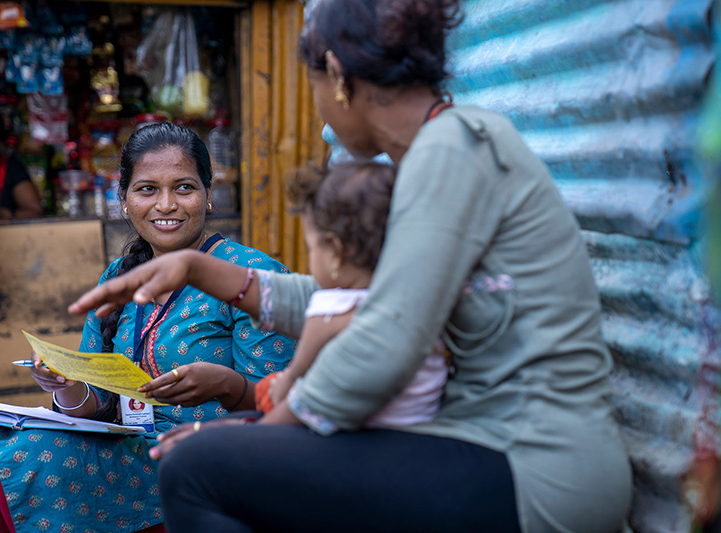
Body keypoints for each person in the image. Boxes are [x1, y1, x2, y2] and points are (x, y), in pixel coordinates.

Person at [69, 0, 633, 531]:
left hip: (533, 465)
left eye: (313, 84)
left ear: (336, 73)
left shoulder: (450, 151)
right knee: (221, 450)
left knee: (197, 465)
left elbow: (386, 339)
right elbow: (361, 303)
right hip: (478, 443)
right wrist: (198, 270)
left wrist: (272, 419)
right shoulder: (439, 152)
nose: (319, 121)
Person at [0, 122, 295, 533]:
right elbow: (97, 402)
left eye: (183, 187)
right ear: (124, 200)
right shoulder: (119, 275)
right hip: (125, 450)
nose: (166, 204)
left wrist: (226, 383)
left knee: (38, 455)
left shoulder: (253, 273)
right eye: (147, 190)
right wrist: (65, 385)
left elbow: (280, 408)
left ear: (208, 195)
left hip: (203, 454)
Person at [256, 160, 450, 428]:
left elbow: (295, 375)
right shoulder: (421, 296)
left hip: (364, 438)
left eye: (311, 247)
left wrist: (284, 383)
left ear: (334, 252)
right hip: (420, 428)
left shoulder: (331, 307)